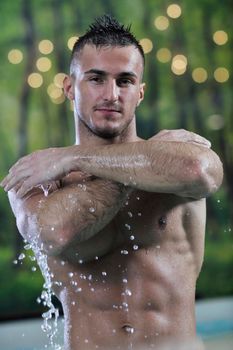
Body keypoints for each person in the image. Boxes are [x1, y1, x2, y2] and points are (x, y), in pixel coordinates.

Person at [1, 14, 223, 350]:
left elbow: (199, 170)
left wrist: (77, 157)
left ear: (141, 92)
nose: (111, 94)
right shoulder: (39, 177)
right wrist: (144, 163)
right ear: (68, 87)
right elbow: (55, 231)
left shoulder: (179, 156)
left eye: (125, 81)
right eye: (96, 79)